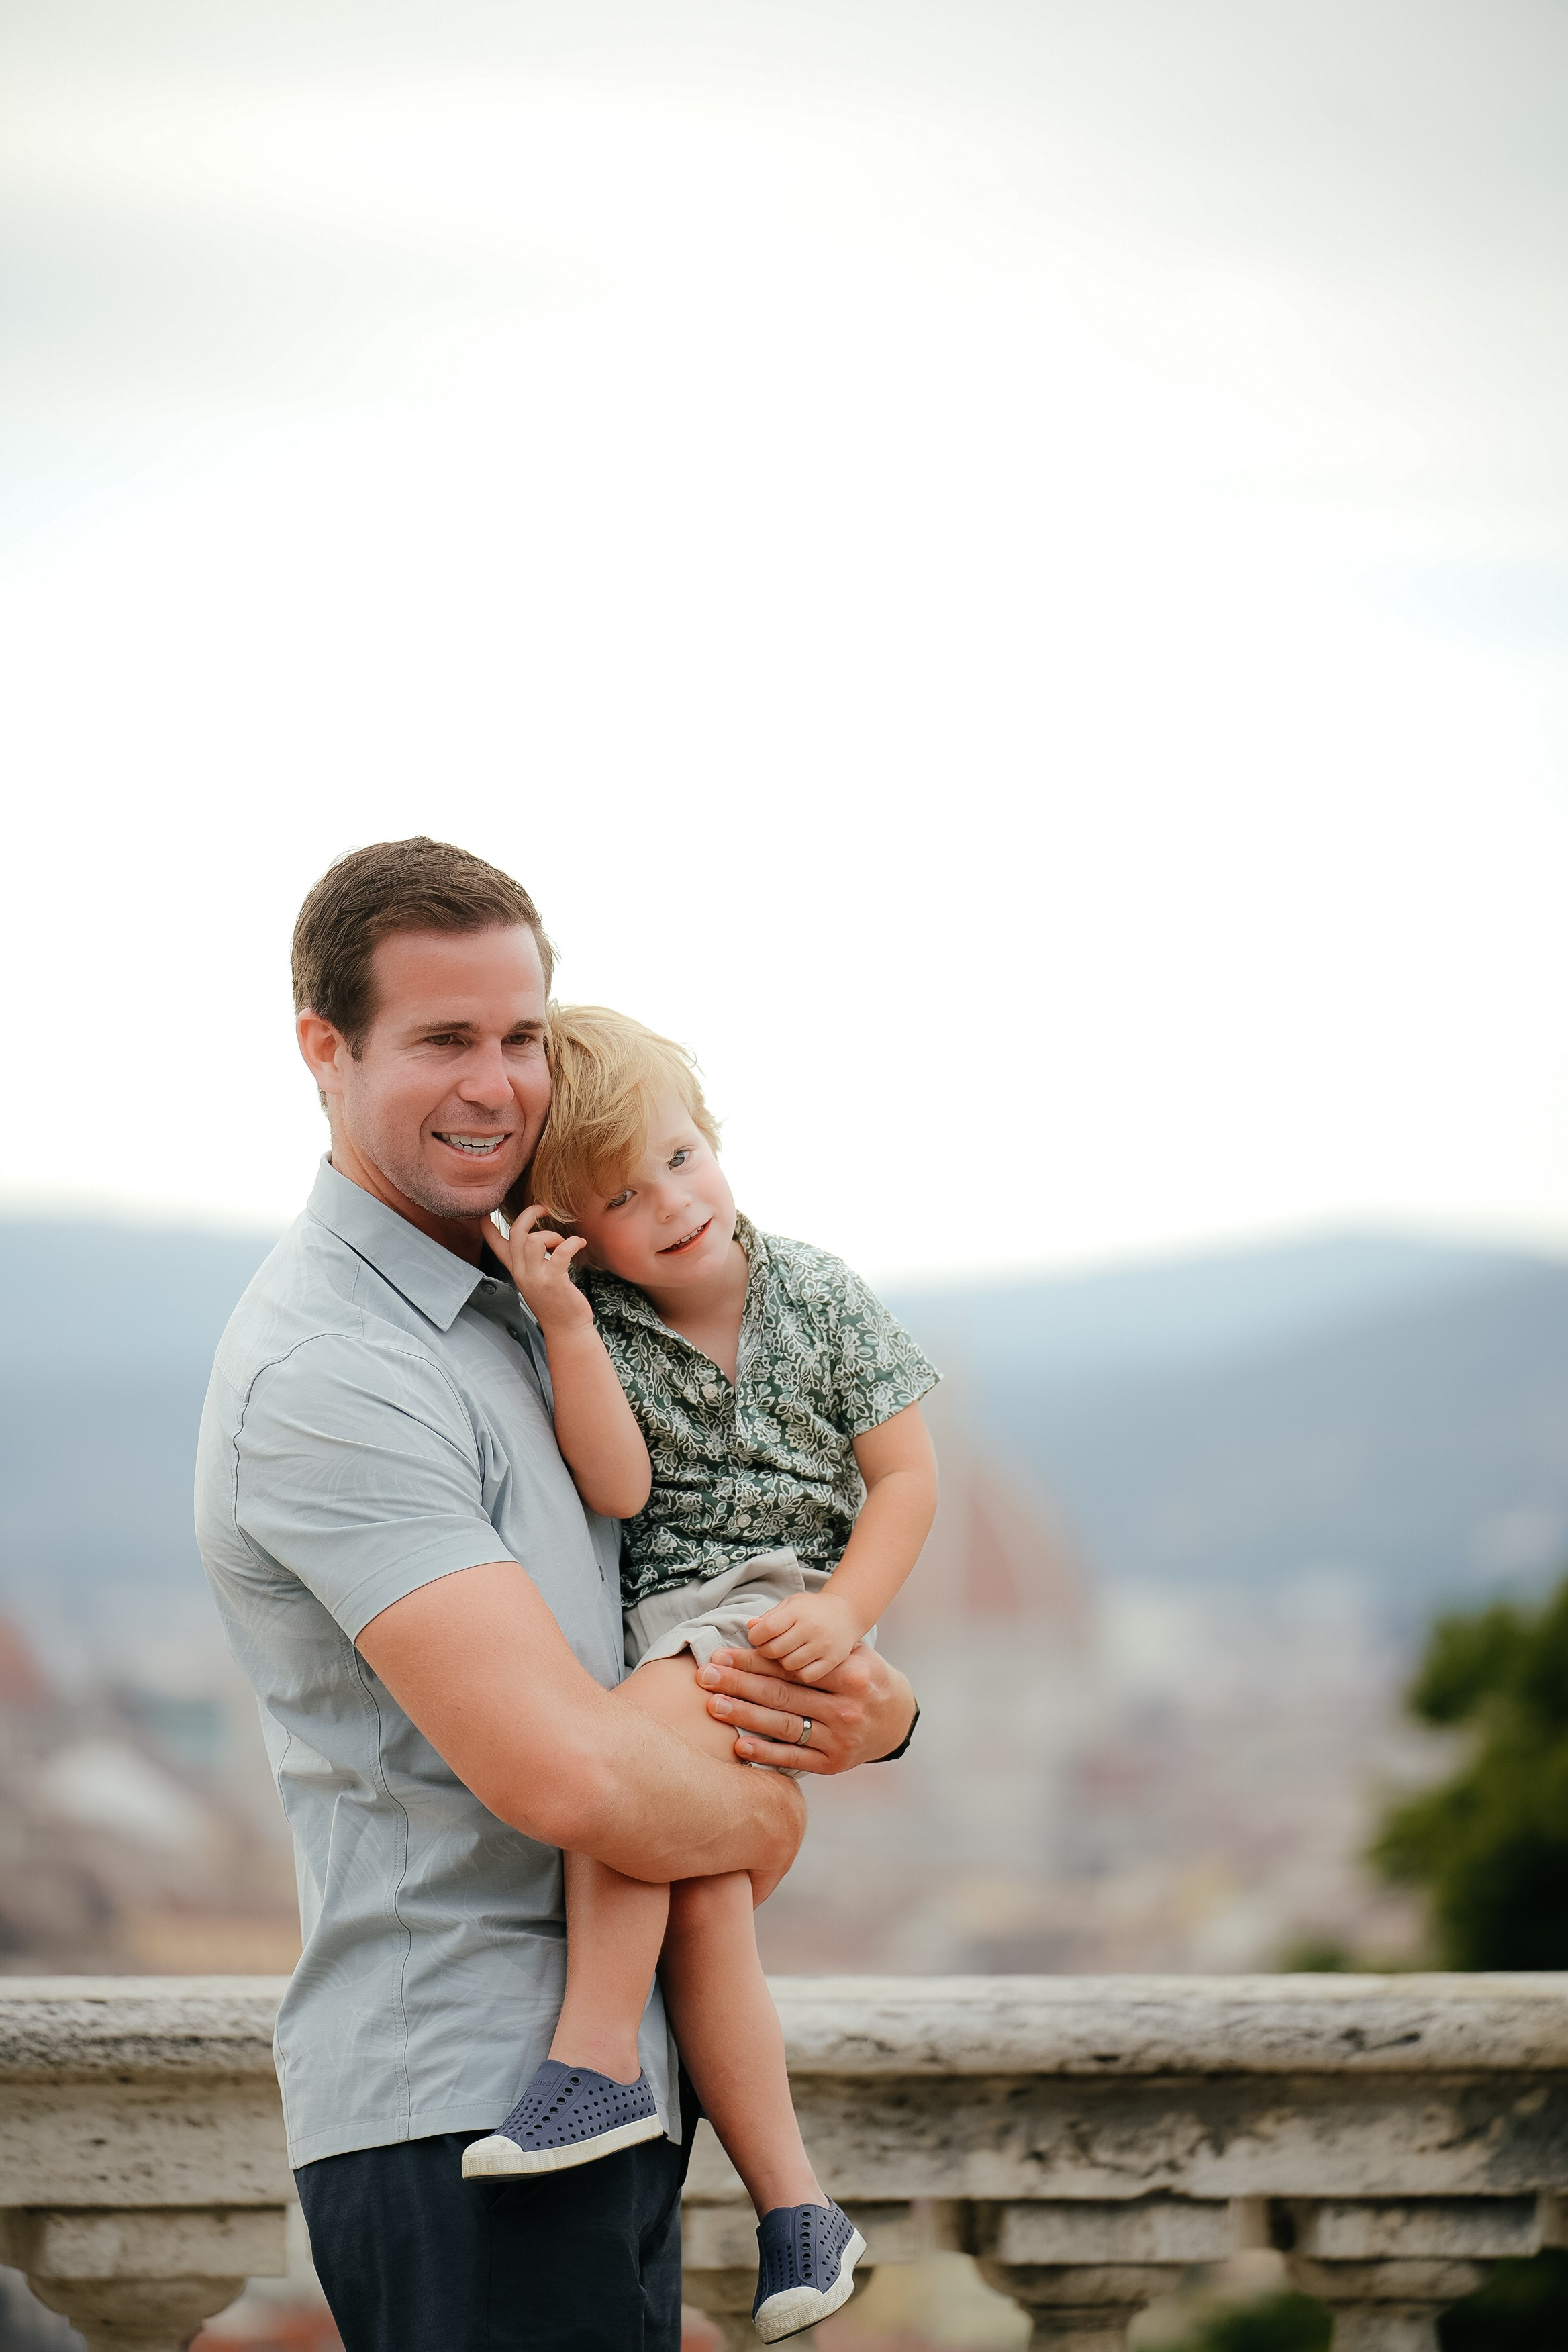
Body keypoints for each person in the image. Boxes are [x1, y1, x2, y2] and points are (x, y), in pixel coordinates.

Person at [194, 837, 921, 2352]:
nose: (496, 1085)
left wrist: (877, 1712)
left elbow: (704, 1573)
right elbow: (571, 1775)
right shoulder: (339, 1368)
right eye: (442, 1040)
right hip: (462, 2091)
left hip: (605, 2099)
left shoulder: (537, 1312)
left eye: (519, 1037)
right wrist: (773, 1804)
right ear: (323, 1052)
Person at [458, 1006, 939, 2342]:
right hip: (666, 1619)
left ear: (714, 1141)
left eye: (679, 1158)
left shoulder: (823, 1292)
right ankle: (799, 2214)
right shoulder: (601, 1325)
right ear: (572, 1229)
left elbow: (905, 1476)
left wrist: (845, 1614)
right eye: (620, 1195)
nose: (670, 1203)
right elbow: (617, 1483)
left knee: (615, 1767)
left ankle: (595, 2059)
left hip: (775, 1609)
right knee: (706, 1901)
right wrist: (558, 1321)